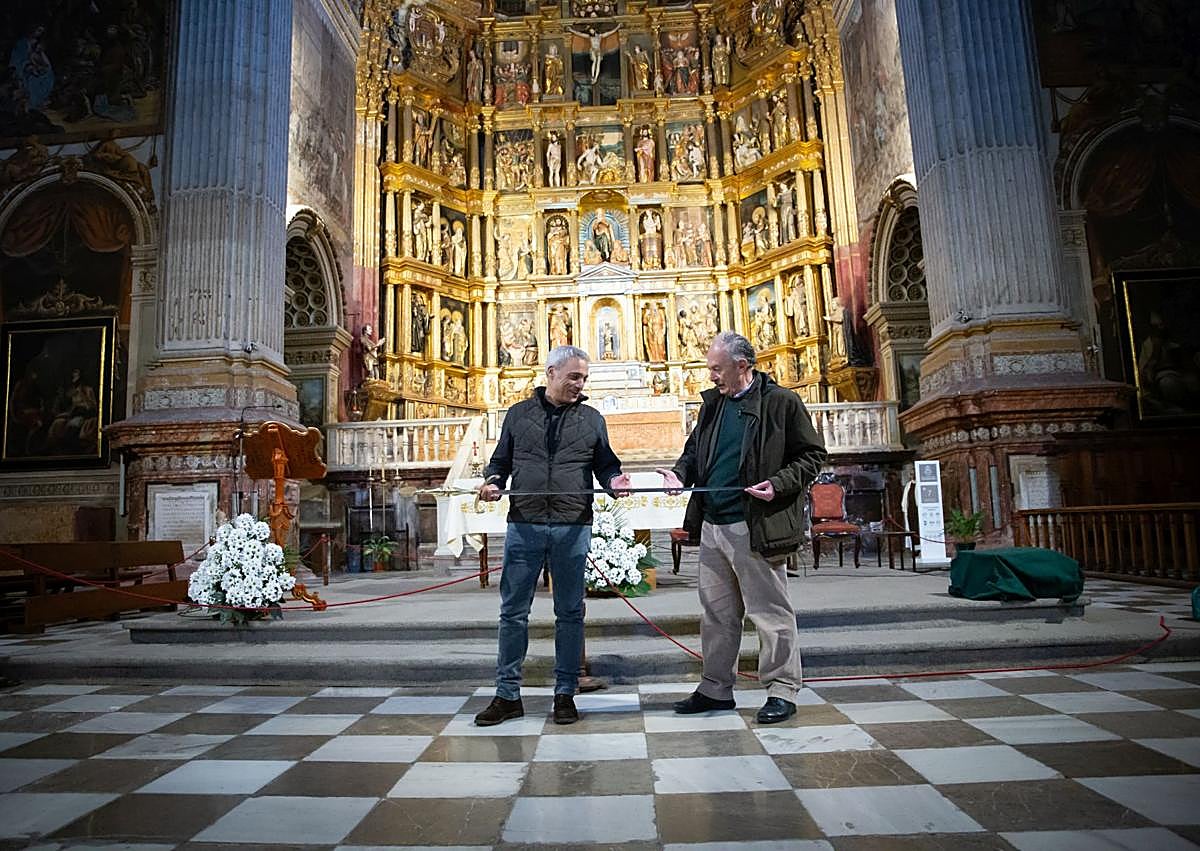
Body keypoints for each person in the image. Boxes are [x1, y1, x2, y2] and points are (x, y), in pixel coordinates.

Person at [658, 332, 825, 724]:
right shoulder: (712, 406)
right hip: (714, 523)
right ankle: (716, 689)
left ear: (742, 366)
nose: (711, 376)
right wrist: (679, 474)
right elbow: (695, 451)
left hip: (755, 523)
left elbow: (813, 455)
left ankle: (782, 689)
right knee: (716, 614)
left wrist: (778, 484)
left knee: (769, 612)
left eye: (717, 368)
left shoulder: (780, 402)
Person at [475, 346, 632, 727]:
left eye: (584, 378)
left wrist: (614, 481)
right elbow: (500, 462)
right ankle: (507, 695)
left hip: (572, 524)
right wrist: (492, 481)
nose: (580, 384)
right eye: (574, 377)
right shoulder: (517, 414)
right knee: (513, 613)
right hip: (524, 524)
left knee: (570, 613)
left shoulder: (592, 419)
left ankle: (565, 693)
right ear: (551, 373)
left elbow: (605, 465)